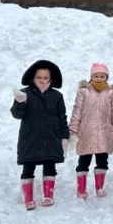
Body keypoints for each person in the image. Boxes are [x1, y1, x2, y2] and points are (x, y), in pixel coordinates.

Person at [12, 60, 69, 210]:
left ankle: (48, 195)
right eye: (39, 77)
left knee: (50, 166)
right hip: (30, 138)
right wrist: (20, 103)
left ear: (51, 79)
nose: (42, 80)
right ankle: (28, 198)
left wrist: (65, 136)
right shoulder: (24, 93)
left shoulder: (57, 96)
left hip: (51, 137)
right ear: (33, 77)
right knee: (28, 167)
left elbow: (62, 117)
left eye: (45, 78)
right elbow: (17, 115)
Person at [68, 63, 113, 200]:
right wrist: (73, 131)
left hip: (104, 134)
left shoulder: (111, 93)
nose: (99, 78)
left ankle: (99, 187)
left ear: (106, 77)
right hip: (86, 133)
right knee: (83, 162)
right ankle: (81, 189)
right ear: (91, 76)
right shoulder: (83, 92)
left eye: (102, 76)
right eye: (96, 76)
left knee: (102, 162)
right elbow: (76, 112)